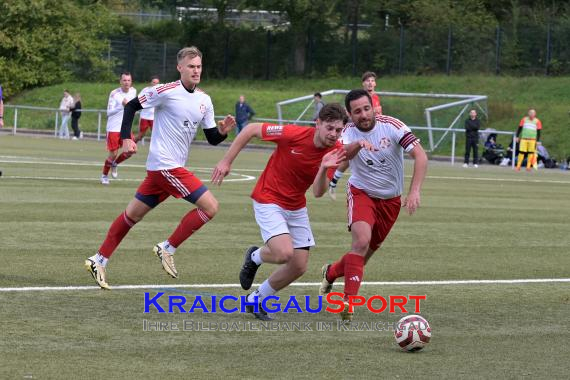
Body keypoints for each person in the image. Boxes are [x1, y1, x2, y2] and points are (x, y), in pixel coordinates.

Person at [84, 46, 236, 289]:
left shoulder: (204, 100)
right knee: (211, 207)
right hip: (166, 166)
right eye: (191, 66)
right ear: (180, 68)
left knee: (131, 215)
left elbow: (211, 138)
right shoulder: (165, 91)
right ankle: (167, 247)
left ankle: (98, 259)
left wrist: (222, 132)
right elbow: (131, 106)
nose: (196, 71)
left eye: (198, 66)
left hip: (166, 170)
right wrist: (126, 138)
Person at [211, 103, 375, 321]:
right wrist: (226, 160)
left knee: (298, 265)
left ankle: (255, 300)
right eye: (329, 128)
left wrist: (324, 168)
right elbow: (251, 129)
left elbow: (317, 192)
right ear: (317, 123)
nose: (333, 134)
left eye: (338, 130)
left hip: (296, 205)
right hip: (268, 197)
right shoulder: (293, 133)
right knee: (283, 253)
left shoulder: (336, 153)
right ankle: (255, 256)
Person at [319, 89, 428, 321]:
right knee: (360, 242)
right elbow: (341, 154)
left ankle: (330, 272)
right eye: (357, 111)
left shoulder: (393, 126)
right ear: (350, 114)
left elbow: (420, 155)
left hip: (391, 201)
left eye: (366, 109)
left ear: (373, 107)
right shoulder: (347, 131)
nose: (363, 115)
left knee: (362, 257)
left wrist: (414, 190)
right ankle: (348, 303)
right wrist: (358, 144)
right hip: (362, 193)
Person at [328, 71, 383, 200]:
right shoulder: (356, 98)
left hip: (373, 132)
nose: (370, 83)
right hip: (357, 132)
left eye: (372, 80)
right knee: (348, 156)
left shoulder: (375, 97)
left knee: (366, 156)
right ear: (363, 83)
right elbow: (349, 114)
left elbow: (379, 115)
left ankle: (334, 181)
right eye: (367, 80)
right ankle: (332, 180)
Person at [100, 72, 137, 185]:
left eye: (128, 80)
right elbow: (109, 113)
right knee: (113, 154)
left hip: (125, 127)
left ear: (131, 82)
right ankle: (104, 175)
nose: (126, 82)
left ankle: (115, 164)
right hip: (113, 128)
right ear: (120, 82)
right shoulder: (115, 94)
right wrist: (122, 106)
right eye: (124, 80)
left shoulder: (133, 91)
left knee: (131, 151)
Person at [134, 75, 160, 143]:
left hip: (154, 117)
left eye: (157, 83)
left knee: (157, 136)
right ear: (150, 83)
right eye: (154, 82)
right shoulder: (145, 90)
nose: (155, 84)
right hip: (145, 116)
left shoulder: (161, 92)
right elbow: (138, 100)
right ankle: (131, 145)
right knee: (140, 136)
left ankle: (157, 152)